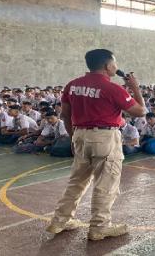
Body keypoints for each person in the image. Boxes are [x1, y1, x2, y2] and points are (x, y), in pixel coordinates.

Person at [46, 49, 146, 241]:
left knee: (77, 181)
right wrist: (135, 88)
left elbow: (65, 115)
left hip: (79, 134)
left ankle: (60, 221)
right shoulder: (113, 88)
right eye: (114, 64)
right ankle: (100, 227)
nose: (116, 67)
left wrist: (74, 136)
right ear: (108, 66)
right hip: (105, 137)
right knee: (106, 183)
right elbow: (140, 112)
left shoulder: (72, 85)